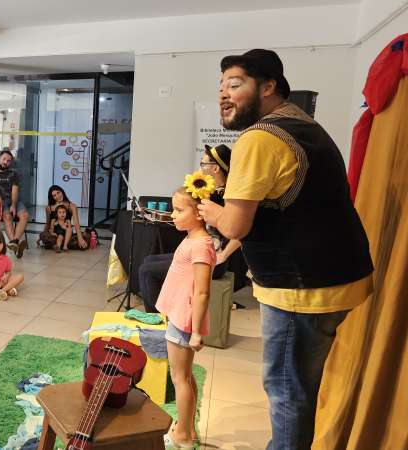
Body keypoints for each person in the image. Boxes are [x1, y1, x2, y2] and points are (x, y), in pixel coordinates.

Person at [198, 49, 373, 450]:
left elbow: (235, 225)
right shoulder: (303, 124)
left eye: (235, 84)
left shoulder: (259, 138)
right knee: (300, 385)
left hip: (302, 288)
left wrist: (212, 210)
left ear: (268, 87)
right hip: (340, 275)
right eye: (221, 86)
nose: (223, 94)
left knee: (287, 391)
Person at [138, 144, 241, 312]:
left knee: (147, 271)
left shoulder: (229, 198)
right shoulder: (210, 193)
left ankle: (158, 318)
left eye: (203, 164)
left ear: (216, 168)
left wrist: (223, 255)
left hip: (211, 259)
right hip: (201, 251)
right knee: (149, 261)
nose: (200, 169)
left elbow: (242, 231)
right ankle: (164, 310)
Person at [157, 184, 216, 449]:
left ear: (199, 213)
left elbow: (203, 292)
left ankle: (181, 434)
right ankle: (187, 427)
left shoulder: (201, 245)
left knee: (179, 378)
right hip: (179, 314)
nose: (173, 215)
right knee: (185, 376)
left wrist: (196, 332)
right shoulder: (193, 238)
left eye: (179, 210)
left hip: (185, 319)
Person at [0, 150, 29, 258]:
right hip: (1, 201)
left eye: (8, 161)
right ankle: (16, 244)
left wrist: (13, 204)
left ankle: (14, 242)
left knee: (24, 215)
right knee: (7, 216)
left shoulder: (14, 174)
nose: (6, 162)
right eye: (4, 159)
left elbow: (15, 190)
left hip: (14, 200)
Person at [38, 185, 89, 250]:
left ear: (62, 191)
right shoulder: (49, 208)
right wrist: (41, 237)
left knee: (83, 239)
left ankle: (58, 245)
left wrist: (80, 238)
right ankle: (59, 244)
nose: (57, 196)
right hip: (54, 236)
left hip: (67, 236)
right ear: (52, 197)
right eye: (54, 195)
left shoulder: (72, 206)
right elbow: (48, 223)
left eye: (58, 193)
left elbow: (76, 223)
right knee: (43, 235)